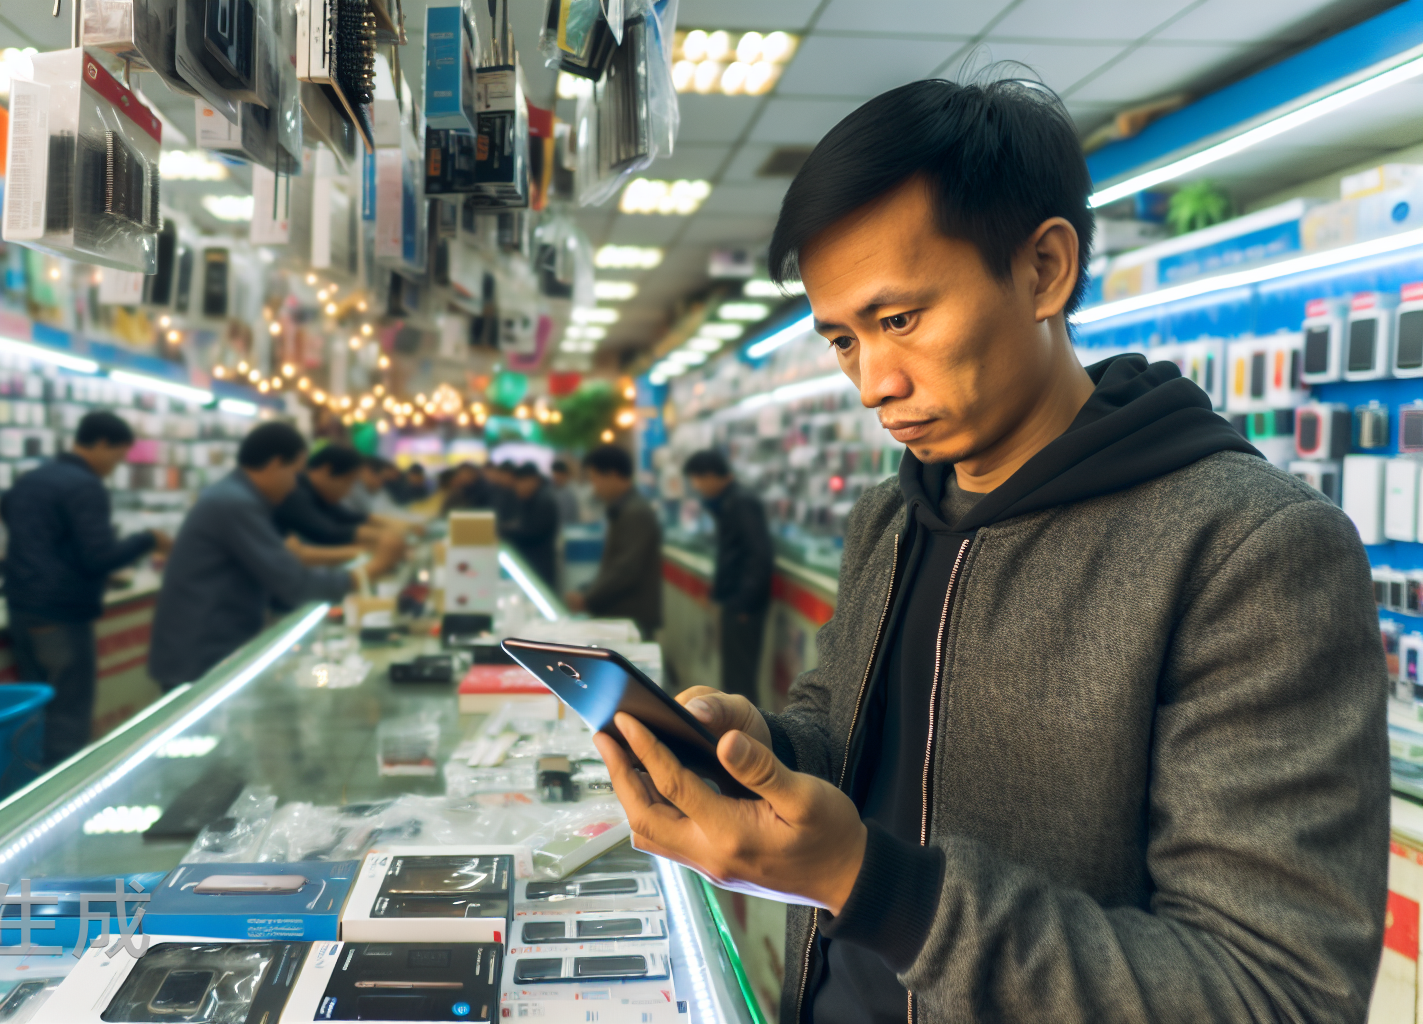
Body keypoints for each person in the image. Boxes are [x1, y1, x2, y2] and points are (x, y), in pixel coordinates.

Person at [590, 77, 1386, 1024]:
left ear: (1045, 269)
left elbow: (1276, 995)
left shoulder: (1246, 552)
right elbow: (853, 732)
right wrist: (759, 749)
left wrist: (877, 887)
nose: (874, 383)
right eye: (843, 339)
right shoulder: (892, 518)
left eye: (901, 319)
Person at [149, 423, 397, 688]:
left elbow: (286, 565)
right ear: (275, 464)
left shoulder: (237, 497)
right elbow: (293, 584)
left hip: (206, 650)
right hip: (201, 656)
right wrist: (369, 571)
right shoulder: (235, 504)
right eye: (294, 473)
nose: (294, 486)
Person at [0, 410, 172, 765]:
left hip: (21, 608)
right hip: (62, 614)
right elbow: (98, 556)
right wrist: (148, 540)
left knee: (34, 721)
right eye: (118, 456)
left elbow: (35, 536)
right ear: (101, 444)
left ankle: (30, 802)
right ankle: (61, 807)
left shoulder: (31, 480)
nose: (116, 466)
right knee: (68, 720)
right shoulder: (84, 486)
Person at [682, 449, 773, 702]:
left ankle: (745, 736)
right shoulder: (730, 501)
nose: (697, 487)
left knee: (740, 679)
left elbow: (758, 556)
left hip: (743, 606)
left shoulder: (740, 502)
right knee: (734, 675)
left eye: (698, 480)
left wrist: (743, 604)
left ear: (711, 475)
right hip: (736, 601)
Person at [565, 445, 662, 642]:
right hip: (621, 617)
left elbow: (626, 568)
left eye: (595, 479)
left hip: (631, 618)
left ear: (613, 475)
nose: (594, 487)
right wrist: (587, 590)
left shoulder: (635, 512)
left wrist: (588, 597)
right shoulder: (623, 508)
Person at [273, 445, 409, 567]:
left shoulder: (318, 493)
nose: (348, 491)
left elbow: (349, 518)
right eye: (348, 482)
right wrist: (375, 546)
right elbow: (328, 533)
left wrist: (395, 533)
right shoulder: (296, 493)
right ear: (326, 470)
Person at [499, 462, 560, 589]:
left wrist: (504, 531)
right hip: (532, 565)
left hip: (540, 567)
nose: (517, 487)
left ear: (533, 481)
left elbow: (531, 532)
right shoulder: (531, 499)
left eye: (521, 482)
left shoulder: (544, 501)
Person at [549, 459, 581, 527]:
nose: (556, 478)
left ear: (566, 476)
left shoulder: (570, 494)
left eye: (559, 475)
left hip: (566, 529)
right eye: (555, 474)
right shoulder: (550, 490)